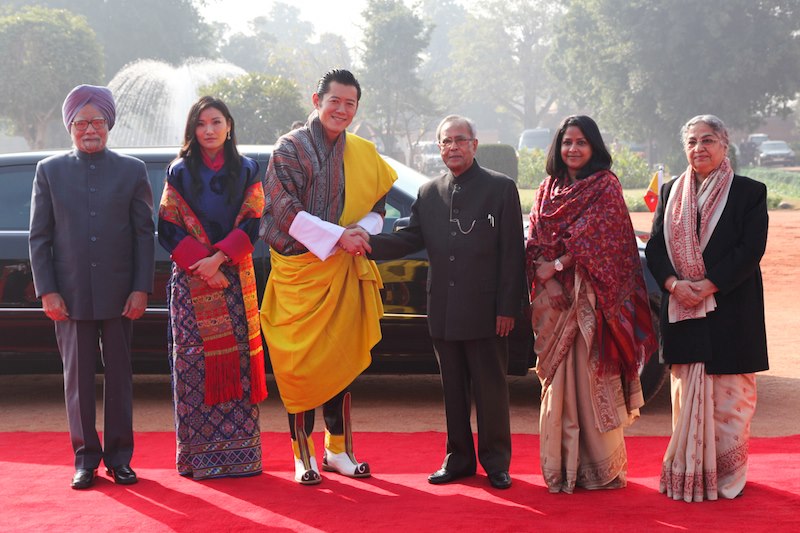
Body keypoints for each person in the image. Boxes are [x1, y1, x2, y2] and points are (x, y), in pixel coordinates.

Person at [368, 115, 524, 490]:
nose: (452, 147)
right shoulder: (429, 192)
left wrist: (508, 308)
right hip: (443, 310)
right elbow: (408, 238)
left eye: (459, 139)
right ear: (439, 148)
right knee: (453, 390)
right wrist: (365, 244)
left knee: (490, 390)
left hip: (488, 311)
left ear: (474, 144)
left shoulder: (501, 189)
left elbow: (512, 255)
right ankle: (458, 460)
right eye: (445, 141)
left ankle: (496, 462)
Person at [259, 69, 397, 485]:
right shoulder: (289, 148)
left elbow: (379, 205)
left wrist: (358, 233)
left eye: (350, 103)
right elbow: (283, 210)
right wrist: (341, 236)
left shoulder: (360, 151)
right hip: (299, 272)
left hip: (342, 272)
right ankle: (302, 454)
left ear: (356, 108)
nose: (341, 109)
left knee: (340, 362)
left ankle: (338, 449)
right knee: (299, 364)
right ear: (316, 99)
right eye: (334, 100)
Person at [29, 84, 155, 489]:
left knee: (120, 378)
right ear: (69, 126)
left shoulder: (132, 170)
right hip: (70, 295)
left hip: (122, 295)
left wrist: (141, 288)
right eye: (81, 122)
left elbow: (143, 235)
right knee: (78, 382)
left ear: (109, 124)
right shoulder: (49, 171)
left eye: (97, 121)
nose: (89, 129)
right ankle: (85, 460)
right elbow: (39, 237)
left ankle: (120, 459)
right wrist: (47, 290)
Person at [526, 115, 656, 494]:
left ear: (594, 147)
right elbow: (534, 238)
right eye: (567, 142)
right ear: (558, 146)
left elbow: (603, 240)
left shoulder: (605, 187)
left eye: (581, 142)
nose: (573, 149)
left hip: (590, 303)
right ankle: (561, 468)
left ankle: (598, 469)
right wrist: (544, 274)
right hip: (552, 302)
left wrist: (560, 265)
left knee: (587, 382)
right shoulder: (548, 187)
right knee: (556, 382)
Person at [645, 115, 769, 502]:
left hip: (731, 309)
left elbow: (750, 250)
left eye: (708, 140)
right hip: (683, 309)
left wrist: (708, 285)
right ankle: (689, 475)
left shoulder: (749, 192)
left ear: (724, 144)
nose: (700, 148)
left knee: (731, 401)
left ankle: (728, 476)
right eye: (693, 141)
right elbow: (654, 248)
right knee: (686, 401)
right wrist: (673, 285)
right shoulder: (670, 192)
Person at [157, 96, 268, 480]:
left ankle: (242, 458)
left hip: (233, 276)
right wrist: (203, 267)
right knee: (193, 365)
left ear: (229, 126)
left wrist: (218, 261)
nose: (208, 130)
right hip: (191, 281)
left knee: (235, 365)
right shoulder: (179, 172)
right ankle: (197, 458)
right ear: (192, 130)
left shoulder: (249, 169)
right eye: (201, 123)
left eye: (215, 122)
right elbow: (167, 228)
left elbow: (254, 221)